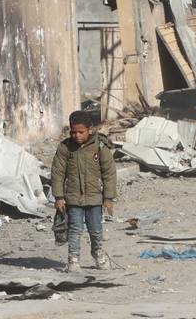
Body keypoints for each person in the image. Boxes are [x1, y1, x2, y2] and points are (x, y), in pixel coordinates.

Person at [51, 110, 117, 273]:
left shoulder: (100, 147)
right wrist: (59, 196)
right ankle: (73, 259)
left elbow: (109, 174)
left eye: (81, 132)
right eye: (73, 132)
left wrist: (108, 198)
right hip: (73, 198)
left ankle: (98, 253)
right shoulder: (65, 148)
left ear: (90, 130)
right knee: (75, 229)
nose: (77, 135)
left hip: (95, 198)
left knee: (95, 230)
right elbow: (57, 172)